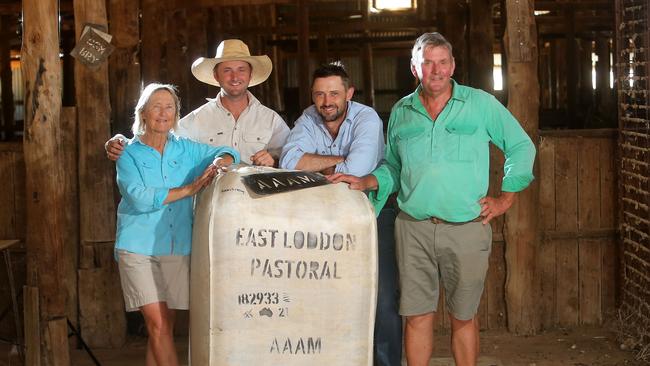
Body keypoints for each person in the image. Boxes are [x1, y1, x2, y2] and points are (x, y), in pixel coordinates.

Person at [329, 32, 536, 366]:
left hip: (466, 228)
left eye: (442, 62)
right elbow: (394, 167)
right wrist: (368, 179)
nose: (436, 70)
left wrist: (505, 199)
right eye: (427, 62)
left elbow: (520, 145)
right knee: (417, 316)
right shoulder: (401, 111)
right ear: (415, 68)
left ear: (453, 65)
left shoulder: (479, 105)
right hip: (414, 229)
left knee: (463, 317)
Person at [280, 62, 402, 366]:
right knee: (332, 294)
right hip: (324, 218)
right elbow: (288, 162)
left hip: (373, 210)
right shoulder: (307, 118)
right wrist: (339, 162)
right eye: (319, 94)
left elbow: (358, 171)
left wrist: (317, 165)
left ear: (349, 92)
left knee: (383, 298)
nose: (326, 101)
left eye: (334, 93)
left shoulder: (367, 117)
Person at [115, 83, 239, 366]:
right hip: (137, 248)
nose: (163, 112)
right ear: (143, 113)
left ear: (176, 113)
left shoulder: (186, 150)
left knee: (163, 329)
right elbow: (138, 198)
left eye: (169, 107)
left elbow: (227, 150)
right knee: (157, 325)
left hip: (177, 245)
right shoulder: (127, 153)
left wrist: (223, 159)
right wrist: (189, 189)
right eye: (156, 106)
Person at [106, 39, 289, 166]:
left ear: (250, 75)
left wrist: (273, 158)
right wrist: (122, 141)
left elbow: (293, 156)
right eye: (227, 70)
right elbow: (159, 142)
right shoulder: (197, 119)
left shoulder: (270, 120)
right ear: (216, 76)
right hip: (211, 208)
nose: (235, 77)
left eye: (241, 69)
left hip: (258, 210)